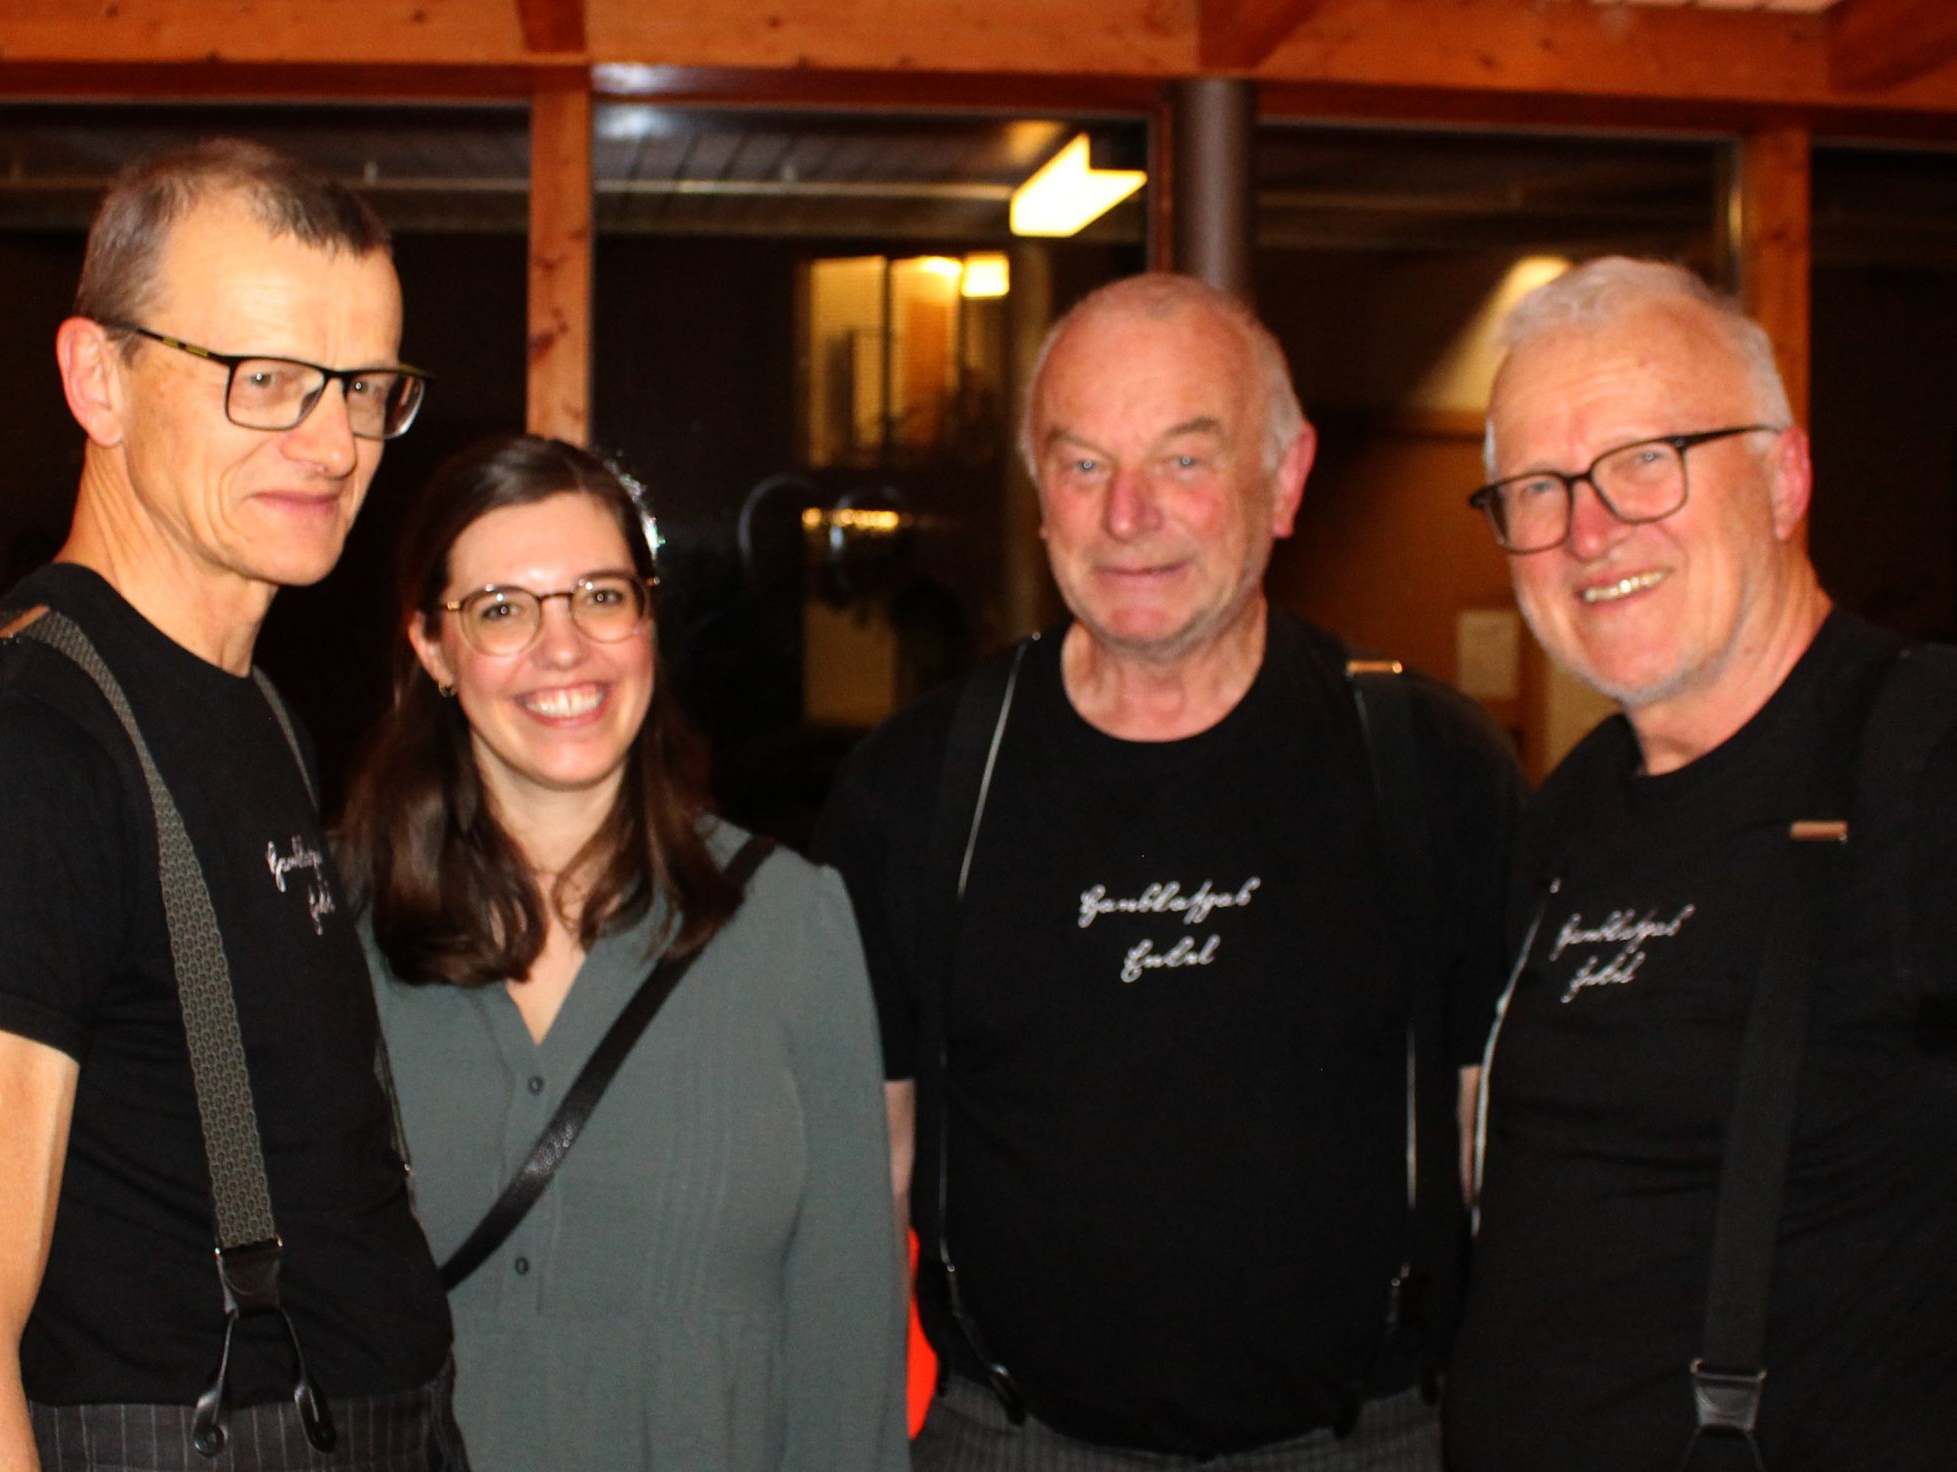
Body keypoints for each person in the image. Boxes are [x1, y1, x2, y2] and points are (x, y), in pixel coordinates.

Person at [815, 273, 1522, 1469]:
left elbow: (1491, 1154)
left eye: (1183, 462)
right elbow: (866, 1175)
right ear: (1040, 494)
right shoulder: (920, 782)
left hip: (1368, 1444)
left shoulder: (1430, 767)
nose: (1125, 514)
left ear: (1284, 477)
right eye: (1083, 465)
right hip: (1010, 1446)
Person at [0, 140, 461, 1471]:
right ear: (99, 376)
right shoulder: (19, 731)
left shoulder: (252, 704)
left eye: (365, 388)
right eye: (264, 381)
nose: (331, 443)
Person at [1445, 257, 1957, 1471]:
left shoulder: (1924, 762)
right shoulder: (1566, 814)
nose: (1585, 529)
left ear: (1782, 478)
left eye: (1642, 460)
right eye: (1534, 487)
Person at [341, 433, 908, 1472]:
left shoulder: (793, 924)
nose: (563, 649)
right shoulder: (333, 930)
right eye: (503, 609)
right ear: (431, 645)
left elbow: (848, 1350)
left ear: (647, 617)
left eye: (599, 596)